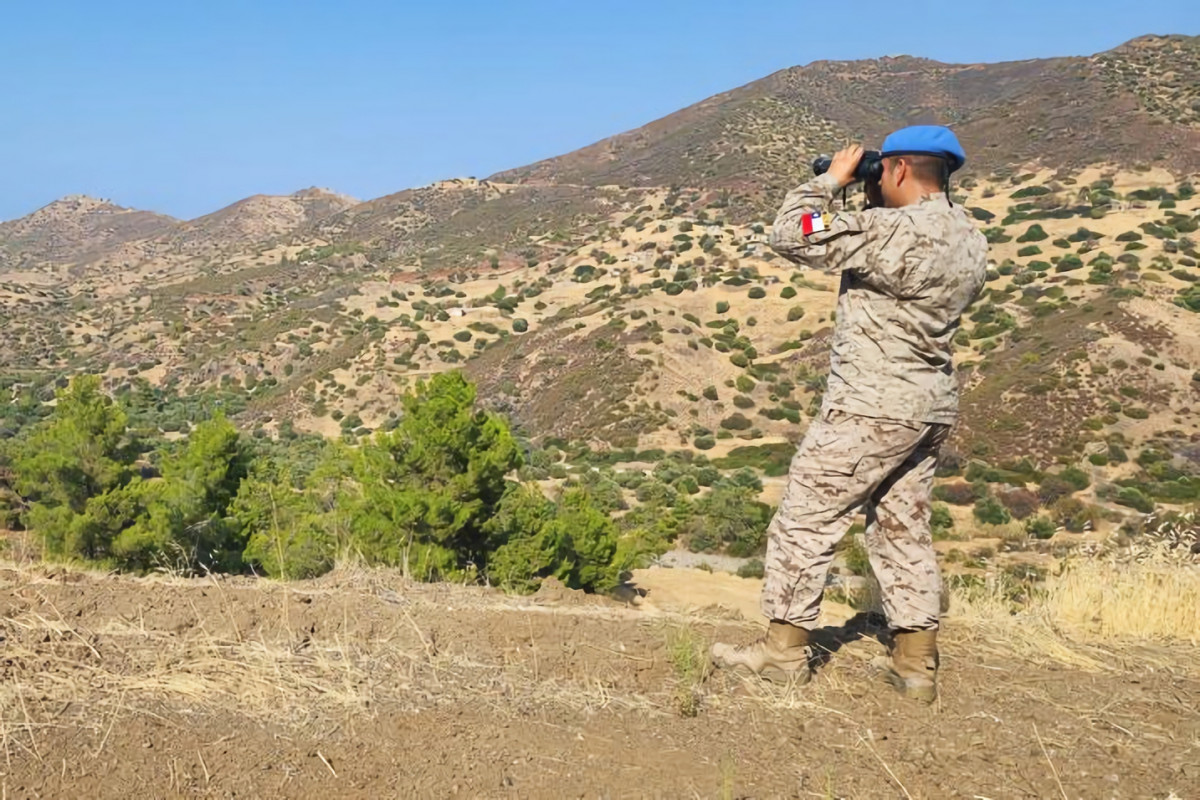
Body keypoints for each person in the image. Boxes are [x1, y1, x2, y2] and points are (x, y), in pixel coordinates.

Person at [710, 125, 988, 702]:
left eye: (879, 169)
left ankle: (782, 653)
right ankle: (916, 664)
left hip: (870, 405)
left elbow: (795, 234)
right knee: (902, 528)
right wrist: (868, 194)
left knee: (806, 520)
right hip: (930, 404)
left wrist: (829, 182)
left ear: (901, 170)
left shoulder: (889, 229)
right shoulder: (967, 235)